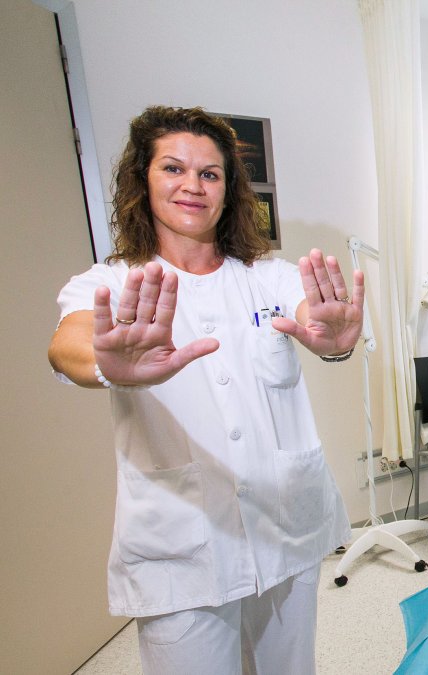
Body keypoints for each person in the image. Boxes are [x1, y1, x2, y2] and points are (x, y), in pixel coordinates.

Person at [47, 106, 362, 675]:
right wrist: (104, 360)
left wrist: (334, 338)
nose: (192, 185)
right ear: (142, 182)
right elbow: (66, 344)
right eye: (173, 168)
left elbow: (318, 323)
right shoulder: (110, 283)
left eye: (210, 174)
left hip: (283, 521)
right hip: (183, 545)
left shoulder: (268, 276)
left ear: (228, 190)